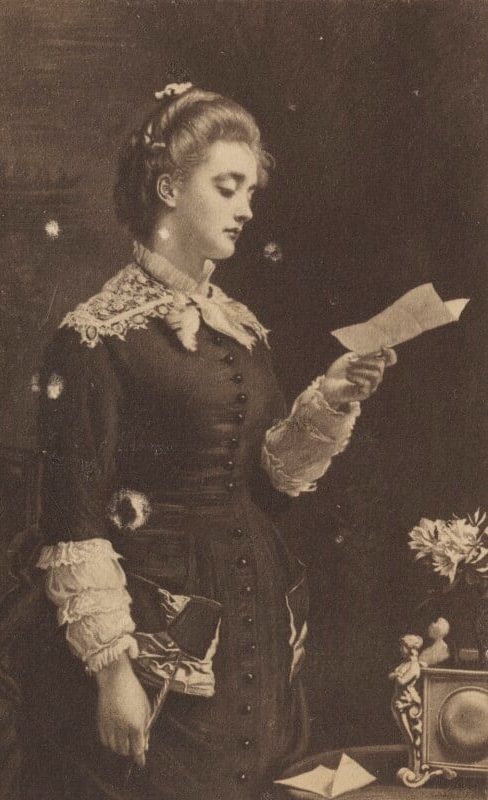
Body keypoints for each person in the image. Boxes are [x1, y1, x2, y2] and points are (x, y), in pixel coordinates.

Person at [24, 84, 396, 800]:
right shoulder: (95, 337)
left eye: (250, 190)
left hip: (256, 618)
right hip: (155, 634)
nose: (246, 208)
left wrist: (332, 398)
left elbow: (269, 484)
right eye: (227, 187)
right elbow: (72, 519)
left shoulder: (239, 326)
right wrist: (112, 674)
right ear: (168, 189)